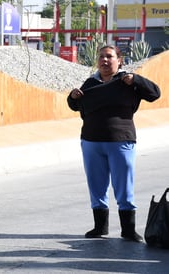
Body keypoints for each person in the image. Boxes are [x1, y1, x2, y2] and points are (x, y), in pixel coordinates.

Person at [67, 45, 161, 242]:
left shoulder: (127, 81)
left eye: (109, 57)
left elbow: (155, 93)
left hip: (121, 141)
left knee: (123, 185)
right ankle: (100, 227)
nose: (104, 60)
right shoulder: (91, 82)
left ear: (119, 60)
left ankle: (128, 229)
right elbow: (76, 105)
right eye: (101, 57)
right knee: (96, 185)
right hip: (92, 141)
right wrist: (72, 96)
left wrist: (136, 80)